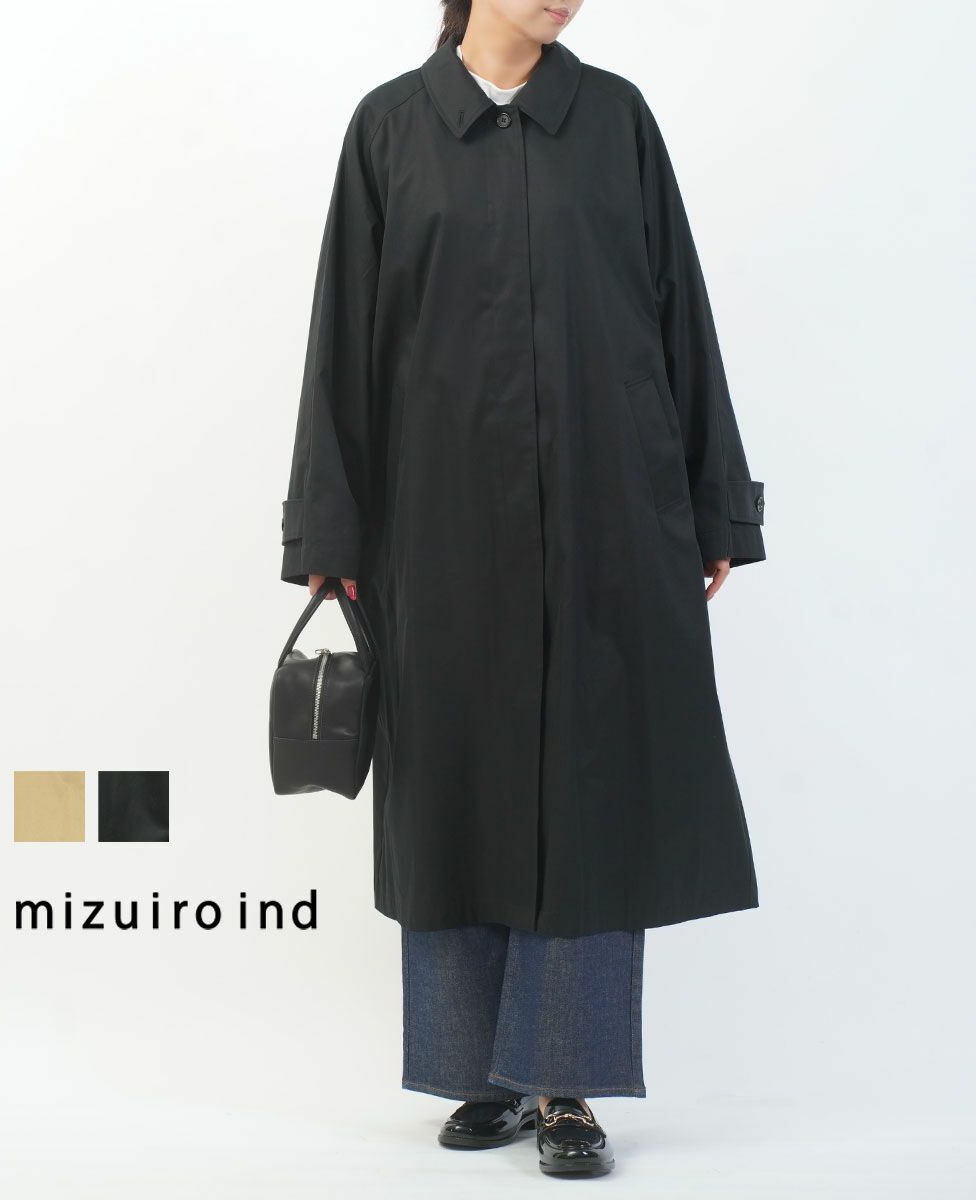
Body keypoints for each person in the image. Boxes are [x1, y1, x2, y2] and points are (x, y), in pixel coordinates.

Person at [279, 0, 766, 1178]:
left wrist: (714, 506)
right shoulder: (390, 129)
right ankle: (479, 1075)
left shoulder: (615, 122)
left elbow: (678, 315)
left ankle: (568, 1085)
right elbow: (342, 339)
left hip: (609, 514)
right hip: (436, 521)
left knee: (589, 793)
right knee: (454, 784)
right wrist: (330, 527)